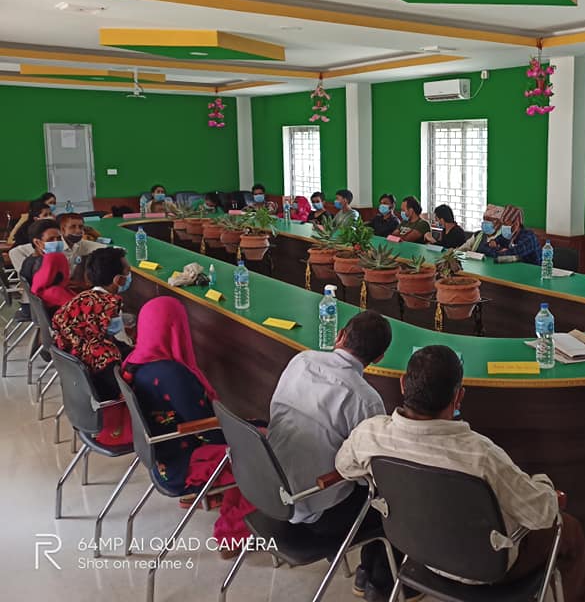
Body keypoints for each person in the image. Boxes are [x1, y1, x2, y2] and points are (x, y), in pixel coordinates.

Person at [336, 345, 585, 602]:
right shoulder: (481, 455)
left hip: (414, 550)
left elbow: (344, 466)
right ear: (458, 397)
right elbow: (542, 514)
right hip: (485, 568)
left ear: (403, 384)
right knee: (569, 528)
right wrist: (544, 485)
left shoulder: (370, 435)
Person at [268, 311, 401, 600]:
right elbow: (372, 475)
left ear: (340, 335)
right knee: (394, 502)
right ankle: (378, 582)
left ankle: (367, 574)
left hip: (269, 488)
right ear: (379, 358)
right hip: (316, 514)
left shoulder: (301, 360)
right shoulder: (366, 399)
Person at [121, 297, 253, 555]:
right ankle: (231, 534)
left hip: (164, 459)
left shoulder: (135, 362)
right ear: (176, 329)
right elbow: (209, 432)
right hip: (183, 465)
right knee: (259, 458)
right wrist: (246, 434)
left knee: (252, 431)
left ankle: (207, 496)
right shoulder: (172, 374)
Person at [52, 247, 132, 401]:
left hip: (80, 397)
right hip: (110, 400)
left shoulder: (81, 300)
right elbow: (129, 393)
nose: (116, 317)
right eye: (128, 272)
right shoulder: (105, 357)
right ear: (119, 280)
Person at [59, 212, 106, 283]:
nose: (78, 231)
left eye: (81, 227)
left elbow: (107, 249)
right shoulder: (55, 247)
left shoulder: (81, 243)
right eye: (73, 227)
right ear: (62, 230)